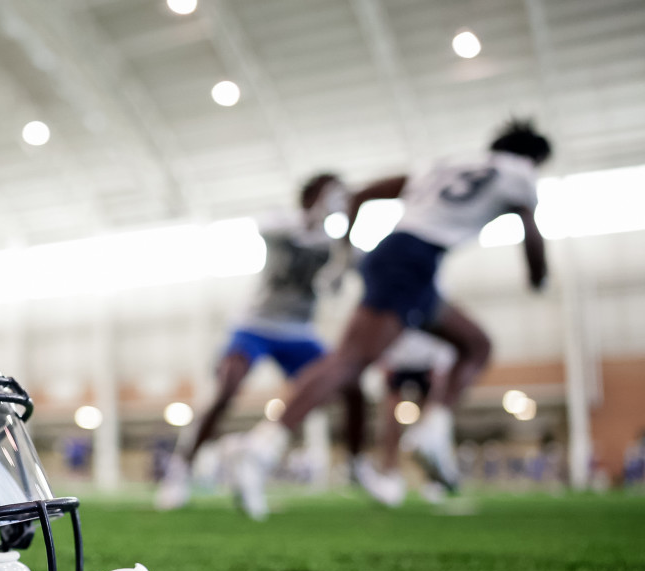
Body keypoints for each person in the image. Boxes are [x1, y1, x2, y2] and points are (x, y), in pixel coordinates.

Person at [233, 119, 551, 518]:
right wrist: (540, 277)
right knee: (348, 362)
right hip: (413, 262)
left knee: (474, 345)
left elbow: (361, 195)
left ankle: (432, 432)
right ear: (533, 157)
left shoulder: (446, 165)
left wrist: (346, 249)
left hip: (403, 261)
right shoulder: (520, 173)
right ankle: (263, 447)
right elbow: (532, 231)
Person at [155, 173, 366, 511]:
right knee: (226, 390)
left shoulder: (334, 243)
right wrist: (315, 222)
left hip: (300, 330)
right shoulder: (282, 220)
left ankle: (356, 465)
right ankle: (181, 469)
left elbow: (337, 285)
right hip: (255, 324)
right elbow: (270, 230)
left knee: (353, 387)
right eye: (330, 195)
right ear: (312, 194)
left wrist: (344, 247)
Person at [353, 329, 456, 507]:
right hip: (397, 359)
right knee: (390, 421)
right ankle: (390, 475)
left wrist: (440, 364)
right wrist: (383, 360)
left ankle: (431, 474)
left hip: (428, 358)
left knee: (429, 419)